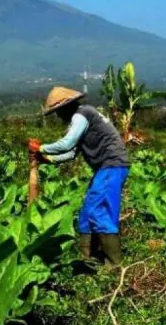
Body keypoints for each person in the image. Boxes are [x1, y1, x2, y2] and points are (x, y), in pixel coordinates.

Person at [29, 86, 129, 266]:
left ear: (65, 107)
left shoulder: (82, 115)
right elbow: (71, 153)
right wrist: (47, 159)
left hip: (112, 165)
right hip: (105, 169)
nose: (58, 117)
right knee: (87, 212)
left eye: (58, 112)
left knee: (100, 212)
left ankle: (114, 266)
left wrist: (41, 148)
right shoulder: (80, 120)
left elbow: (67, 144)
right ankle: (88, 259)